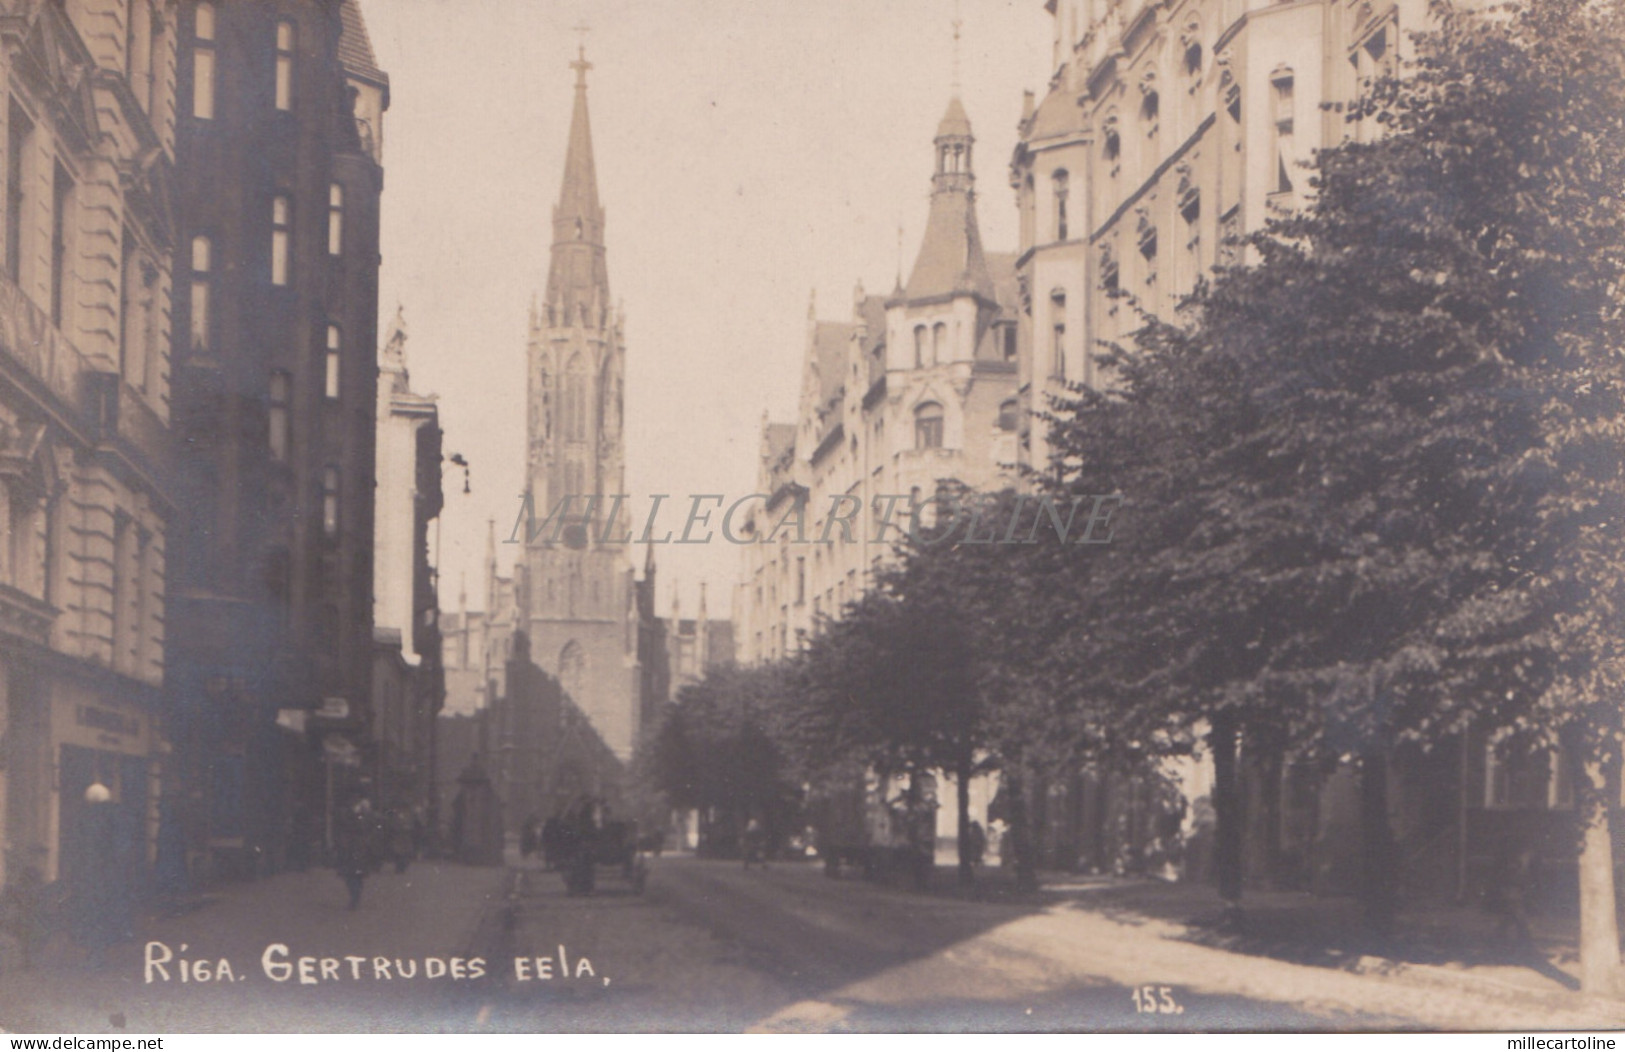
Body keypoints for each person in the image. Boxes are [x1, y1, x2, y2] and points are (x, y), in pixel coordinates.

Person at [335, 799, 374, 910]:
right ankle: (355, 896)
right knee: (353, 875)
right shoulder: (354, 816)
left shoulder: (361, 818)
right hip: (354, 849)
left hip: (355, 849)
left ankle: (355, 897)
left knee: (353, 875)